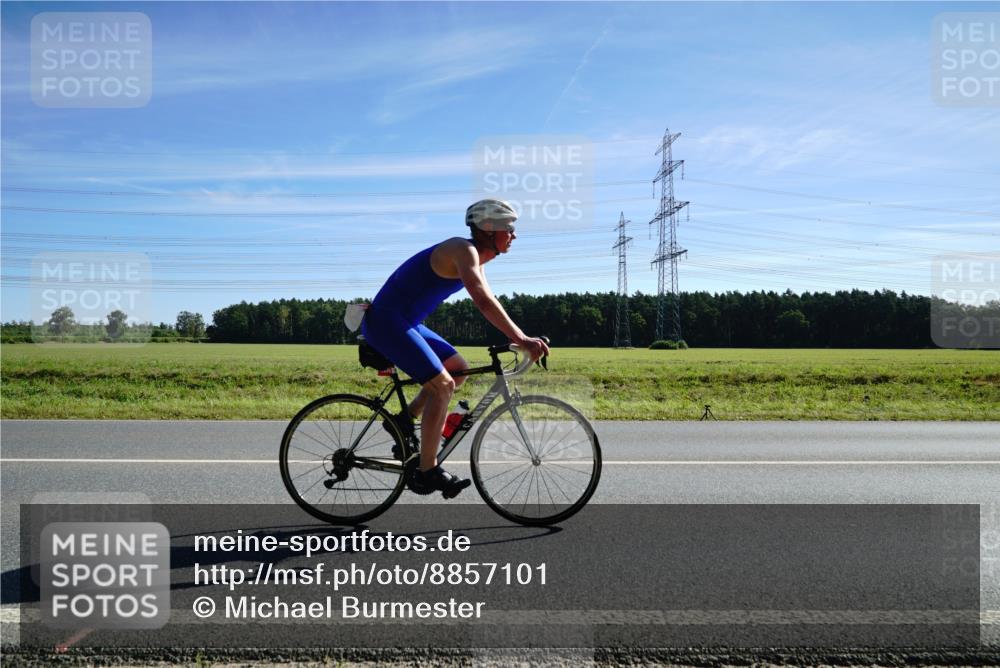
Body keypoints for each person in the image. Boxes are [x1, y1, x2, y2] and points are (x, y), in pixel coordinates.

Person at [360, 199, 550, 498]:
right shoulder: (463, 250)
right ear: (489, 229)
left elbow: (490, 299)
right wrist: (523, 339)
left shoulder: (475, 257)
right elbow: (482, 301)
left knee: (457, 370)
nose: (514, 235)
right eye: (509, 228)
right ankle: (428, 470)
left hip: (405, 321)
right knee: (443, 386)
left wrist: (517, 336)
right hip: (387, 322)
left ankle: (403, 420)